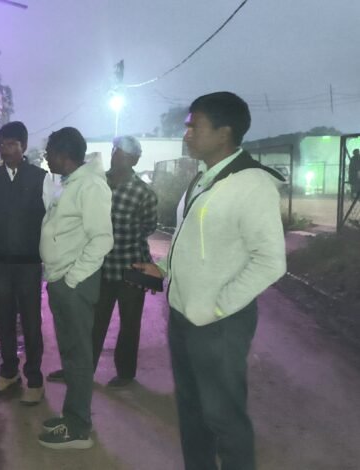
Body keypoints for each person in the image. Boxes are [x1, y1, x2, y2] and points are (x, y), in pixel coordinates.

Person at [134, 92, 286, 470]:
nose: (186, 133)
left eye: (194, 126)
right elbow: (188, 239)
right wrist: (164, 269)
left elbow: (270, 261)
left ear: (224, 132)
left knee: (224, 417)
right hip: (184, 317)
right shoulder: (205, 177)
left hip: (220, 326)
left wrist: (217, 306)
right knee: (192, 412)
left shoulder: (252, 184)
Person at [47, 135, 157, 388]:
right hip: (99, 267)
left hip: (132, 267)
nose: (118, 157)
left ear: (135, 160)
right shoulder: (95, 182)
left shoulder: (143, 193)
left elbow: (148, 227)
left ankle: (125, 374)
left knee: (129, 325)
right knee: (92, 324)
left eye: (125, 154)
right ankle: (81, 370)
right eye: (116, 151)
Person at [38, 127, 113, 450]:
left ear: (63, 155)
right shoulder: (69, 182)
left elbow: (102, 239)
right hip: (61, 279)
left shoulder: (91, 186)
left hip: (74, 284)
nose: (46, 158)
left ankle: (79, 427)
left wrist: (71, 279)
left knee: (79, 356)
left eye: (49, 153)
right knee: (70, 353)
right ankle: (72, 415)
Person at [0, 121, 48, 405]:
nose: (5, 149)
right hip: (0, 263)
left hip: (29, 264)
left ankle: (34, 379)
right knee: (4, 320)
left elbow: (49, 218)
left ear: (23, 146)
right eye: (2, 144)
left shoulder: (40, 178)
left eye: (11, 144)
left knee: (31, 321)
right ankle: (9, 372)